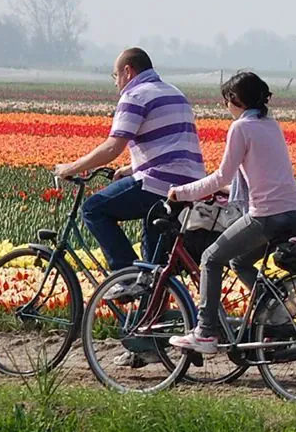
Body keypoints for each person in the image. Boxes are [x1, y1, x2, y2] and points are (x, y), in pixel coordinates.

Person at [167, 71, 296, 354]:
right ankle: (275, 314)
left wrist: (180, 193)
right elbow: (261, 177)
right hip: (293, 212)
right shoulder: (270, 125)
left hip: (266, 216)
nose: (225, 106)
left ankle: (205, 332)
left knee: (210, 258)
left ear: (235, 99)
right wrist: (227, 191)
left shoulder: (241, 127)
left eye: (226, 100)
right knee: (239, 262)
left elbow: (221, 175)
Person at [53, 48, 207, 300]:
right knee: (154, 268)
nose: (116, 83)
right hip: (190, 185)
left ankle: (124, 276)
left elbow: (112, 147)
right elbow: (170, 147)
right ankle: (153, 313)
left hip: (159, 184)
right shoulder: (174, 92)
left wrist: (71, 168)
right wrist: (130, 169)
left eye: (115, 75)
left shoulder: (135, 95)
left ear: (128, 71)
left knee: (93, 209)